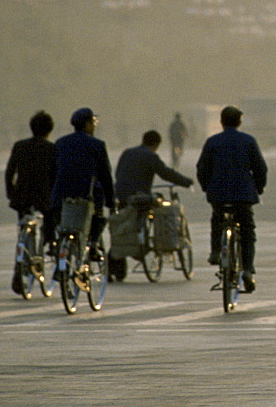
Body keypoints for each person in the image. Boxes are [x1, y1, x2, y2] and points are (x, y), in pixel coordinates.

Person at [196, 105, 267, 293]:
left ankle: (215, 251)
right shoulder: (248, 141)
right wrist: (258, 189)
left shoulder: (212, 142)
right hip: (243, 195)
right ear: (239, 122)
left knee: (217, 219)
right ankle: (248, 271)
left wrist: (207, 188)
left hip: (218, 194)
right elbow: (260, 169)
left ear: (221, 122)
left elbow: (202, 168)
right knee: (247, 231)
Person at [112, 130, 194, 281]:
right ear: (156, 144)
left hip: (122, 196)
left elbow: (118, 174)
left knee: (122, 225)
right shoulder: (151, 156)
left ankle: (118, 261)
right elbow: (165, 173)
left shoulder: (127, 153)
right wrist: (186, 181)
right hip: (140, 198)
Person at [50, 108, 115, 262]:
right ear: (87, 124)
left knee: (62, 225)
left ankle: (58, 246)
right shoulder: (97, 145)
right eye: (93, 122)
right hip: (85, 195)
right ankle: (93, 245)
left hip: (60, 196)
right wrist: (111, 202)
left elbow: (53, 171)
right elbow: (105, 176)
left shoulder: (60, 143)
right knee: (98, 217)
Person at [5, 110, 58, 294]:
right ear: (49, 130)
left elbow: (10, 173)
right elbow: (56, 177)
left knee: (23, 230)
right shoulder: (52, 149)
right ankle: (51, 245)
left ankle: (19, 268)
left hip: (22, 198)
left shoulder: (19, 146)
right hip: (44, 199)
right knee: (51, 220)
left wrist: (11, 195)